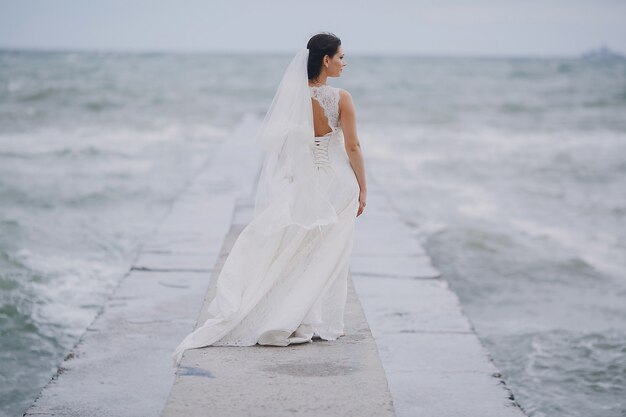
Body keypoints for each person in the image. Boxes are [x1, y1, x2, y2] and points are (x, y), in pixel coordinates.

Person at [172, 32, 367, 367]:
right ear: (325, 59)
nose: (344, 63)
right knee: (328, 255)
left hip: (307, 185)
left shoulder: (293, 97)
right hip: (338, 184)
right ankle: (313, 320)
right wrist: (364, 188)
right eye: (340, 57)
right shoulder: (341, 97)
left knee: (300, 253)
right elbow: (352, 147)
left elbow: (282, 151)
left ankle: (297, 316)